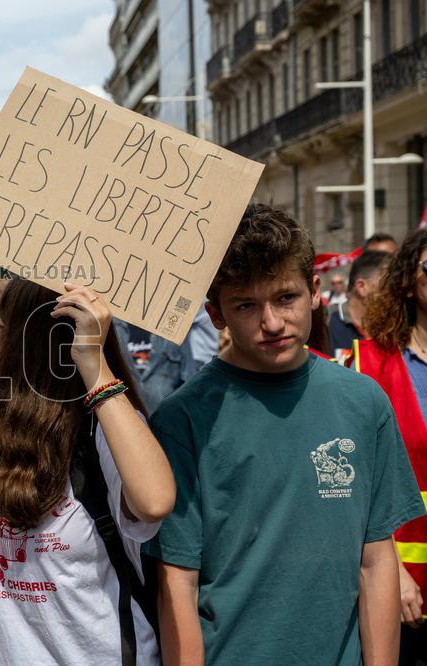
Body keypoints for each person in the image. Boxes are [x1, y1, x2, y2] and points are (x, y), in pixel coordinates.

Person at [146, 204, 424, 664]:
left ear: (315, 291)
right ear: (215, 313)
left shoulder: (363, 401)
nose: (272, 323)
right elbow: (177, 581)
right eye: (246, 305)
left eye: (285, 298)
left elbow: (376, 561)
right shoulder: (182, 419)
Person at [0, 278, 175, 665]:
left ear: (28, 340)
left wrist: (93, 363)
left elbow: (155, 501)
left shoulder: (106, 429)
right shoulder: (2, 424)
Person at [354, 228, 427, 664]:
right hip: (403, 587)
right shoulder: (371, 364)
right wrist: (392, 572)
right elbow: (359, 483)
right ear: (408, 281)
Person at [328, 250, 390, 360]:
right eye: (386, 284)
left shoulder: (393, 326)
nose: (393, 291)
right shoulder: (326, 321)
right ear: (361, 287)